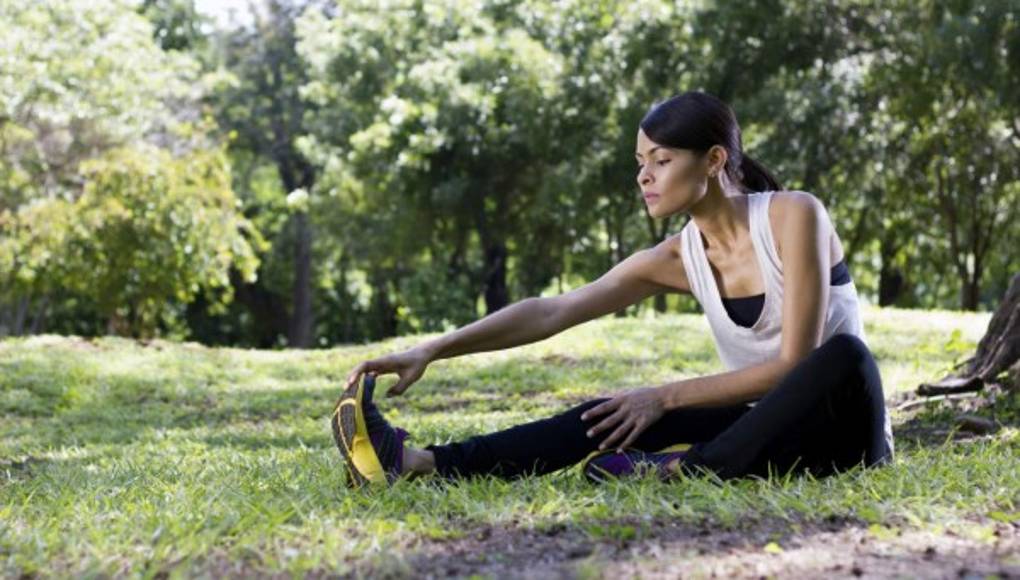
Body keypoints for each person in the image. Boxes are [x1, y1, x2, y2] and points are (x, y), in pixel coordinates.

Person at [331, 90, 895, 488]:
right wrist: (432, 348)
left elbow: (793, 365)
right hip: (765, 435)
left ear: (714, 160)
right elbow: (553, 311)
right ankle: (420, 463)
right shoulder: (675, 258)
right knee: (615, 414)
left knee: (844, 355)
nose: (644, 176)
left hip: (845, 435)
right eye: (640, 162)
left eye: (662, 160)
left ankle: (687, 468)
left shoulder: (794, 216)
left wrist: (665, 395)